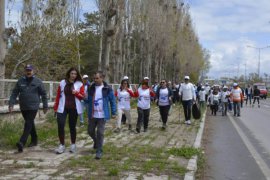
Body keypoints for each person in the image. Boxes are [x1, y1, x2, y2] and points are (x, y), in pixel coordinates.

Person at [9, 64, 48, 153]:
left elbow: (44, 94)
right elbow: (14, 93)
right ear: (25, 71)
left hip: (34, 106)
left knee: (28, 122)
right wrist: (11, 104)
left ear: (33, 71)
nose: (28, 72)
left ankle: (22, 142)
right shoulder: (20, 81)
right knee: (30, 123)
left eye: (30, 70)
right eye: (27, 70)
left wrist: (45, 106)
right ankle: (34, 140)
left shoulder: (38, 81)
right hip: (23, 106)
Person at [54, 67, 85, 154]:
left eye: (75, 74)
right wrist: (55, 107)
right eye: (72, 73)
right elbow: (58, 95)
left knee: (72, 127)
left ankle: (73, 145)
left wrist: (77, 93)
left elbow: (82, 96)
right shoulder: (62, 82)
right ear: (69, 74)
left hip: (73, 108)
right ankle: (62, 145)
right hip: (62, 107)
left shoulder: (79, 84)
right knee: (60, 125)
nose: (73, 75)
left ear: (77, 75)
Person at [87, 71, 117, 159]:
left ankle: (99, 150)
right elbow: (88, 100)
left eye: (97, 78)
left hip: (102, 115)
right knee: (90, 131)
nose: (95, 80)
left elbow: (112, 101)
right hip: (93, 114)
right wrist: (80, 96)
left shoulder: (107, 88)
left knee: (100, 132)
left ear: (102, 78)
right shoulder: (91, 88)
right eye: (94, 78)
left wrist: (114, 112)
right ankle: (96, 141)